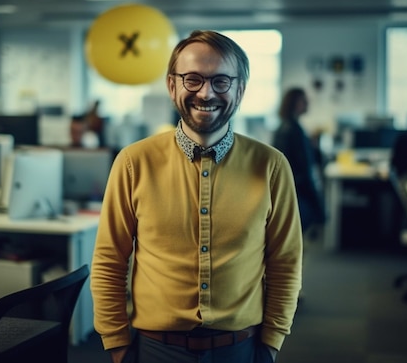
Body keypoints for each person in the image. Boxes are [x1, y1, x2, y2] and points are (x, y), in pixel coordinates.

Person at [91, 30, 303, 363]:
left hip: (242, 348)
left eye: (221, 81)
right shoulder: (134, 162)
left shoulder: (271, 166)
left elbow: (285, 262)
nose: (206, 93)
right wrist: (116, 343)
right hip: (155, 349)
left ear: (240, 89)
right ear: (172, 85)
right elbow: (109, 261)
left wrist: (272, 341)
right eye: (192, 79)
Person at [272, 88, 326, 236]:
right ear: (295, 104)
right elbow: (306, 170)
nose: (308, 103)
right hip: (298, 193)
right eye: (304, 100)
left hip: (288, 190)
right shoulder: (295, 131)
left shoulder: (283, 127)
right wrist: (319, 208)